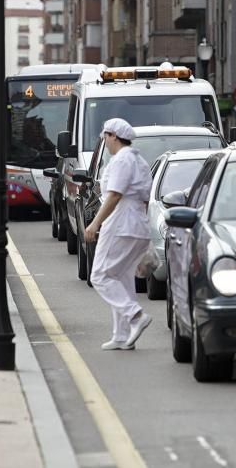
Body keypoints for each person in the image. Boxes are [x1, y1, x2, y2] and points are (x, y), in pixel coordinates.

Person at [84, 118, 153, 350]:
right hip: (136, 224)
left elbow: (114, 196)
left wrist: (94, 224)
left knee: (100, 276)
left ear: (113, 136)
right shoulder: (138, 160)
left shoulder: (122, 160)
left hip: (122, 222)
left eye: (105, 135)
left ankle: (135, 316)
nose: (104, 139)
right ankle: (122, 335)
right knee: (120, 278)